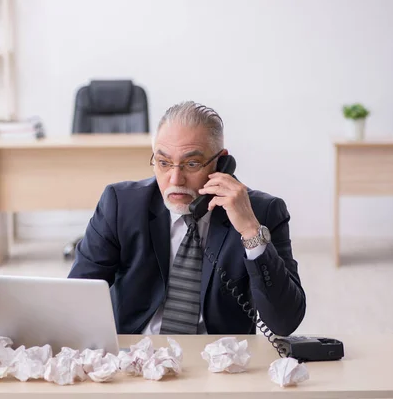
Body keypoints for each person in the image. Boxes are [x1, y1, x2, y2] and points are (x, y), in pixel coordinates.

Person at [68, 101, 306, 336]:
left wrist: (251, 233)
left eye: (191, 164)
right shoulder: (121, 205)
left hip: (219, 363)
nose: (175, 179)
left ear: (222, 163)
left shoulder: (262, 212)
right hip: (136, 358)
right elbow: (76, 299)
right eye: (163, 163)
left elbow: (284, 322)